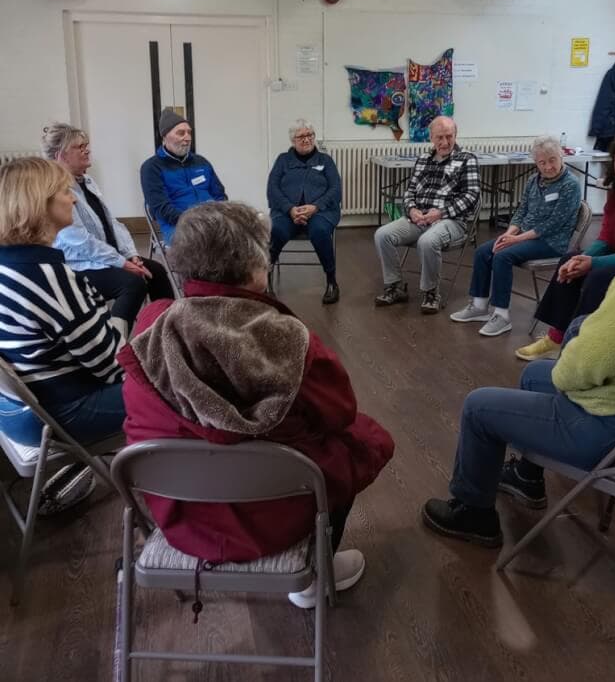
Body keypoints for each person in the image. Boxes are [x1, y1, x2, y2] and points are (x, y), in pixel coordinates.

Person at [421, 142, 615, 551]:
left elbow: (573, 373)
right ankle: (528, 478)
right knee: (534, 373)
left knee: (479, 406)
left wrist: (575, 342)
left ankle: (473, 514)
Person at [118, 202, 393, 608]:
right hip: (275, 511)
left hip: (182, 514)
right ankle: (315, 572)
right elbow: (340, 411)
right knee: (363, 439)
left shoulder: (150, 328)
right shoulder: (290, 341)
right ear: (254, 266)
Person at [0, 158, 127, 514]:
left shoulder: (8, 264)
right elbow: (112, 368)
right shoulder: (48, 276)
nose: (72, 199)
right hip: (59, 414)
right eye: (63, 191)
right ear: (37, 205)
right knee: (179, 389)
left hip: (14, 410)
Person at [516, 129, 615, 361]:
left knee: (597, 276)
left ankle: (580, 342)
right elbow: (607, 235)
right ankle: (556, 338)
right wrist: (583, 258)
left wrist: (592, 262)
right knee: (569, 260)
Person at [449, 136, 583, 337]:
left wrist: (517, 240)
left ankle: (502, 316)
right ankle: (479, 306)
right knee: (483, 252)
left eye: (552, 160)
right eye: (542, 163)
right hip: (525, 235)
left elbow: (552, 224)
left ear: (561, 155)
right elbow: (522, 211)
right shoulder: (533, 180)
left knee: (503, 255)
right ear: (536, 163)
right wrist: (508, 233)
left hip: (552, 242)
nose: (548, 167)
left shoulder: (570, 185)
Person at [45, 122, 174, 323]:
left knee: (155, 271)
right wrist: (121, 262)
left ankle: (165, 330)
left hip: (107, 258)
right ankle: (115, 343)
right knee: (133, 284)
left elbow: (112, 223)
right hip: (79, 265)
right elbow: (80, 242)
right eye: (79, 147)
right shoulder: (55, 190)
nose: (87, 150)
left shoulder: (87, 181)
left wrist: (130, 255)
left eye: (86, 145)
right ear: (60, 156)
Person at [373, 116, 479, 314]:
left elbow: (472, 196)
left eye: (450, 136)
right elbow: (410, 191)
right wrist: (411, 210)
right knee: (382, 234)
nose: (445, 142)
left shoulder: (467, 159)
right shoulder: (423, 159)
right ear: (431, 137)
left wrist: (440, 213)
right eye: (440, 137)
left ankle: (431, 292)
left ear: (456, 135)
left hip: (452, 220)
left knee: (427, 241)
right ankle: (395, 286)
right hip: (419, 218)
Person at [266, 119, 344, 304]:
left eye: (310, 135)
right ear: (293, 140)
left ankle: (331, 281)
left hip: (321, 212)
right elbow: (272, 189)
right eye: (301, 136)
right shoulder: (283, 160)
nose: (307, 140)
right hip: (287, 213)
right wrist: (290, 209)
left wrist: (315, 207)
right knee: (276, 230)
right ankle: (265, 279)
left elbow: (336, 189)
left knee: (319, 231)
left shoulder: (325, 160)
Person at [139, 108, 227, 245]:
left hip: (212, 220)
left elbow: (220, 195)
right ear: (165, 136)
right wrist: (195, 222)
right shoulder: (151, 168)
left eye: (189, 132)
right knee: (207, 243)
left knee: (245, 234)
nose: (188, 137)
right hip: (179, 226)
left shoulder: (201, 162)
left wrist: (220, 217)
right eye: (181, 133)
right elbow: (161, 209)